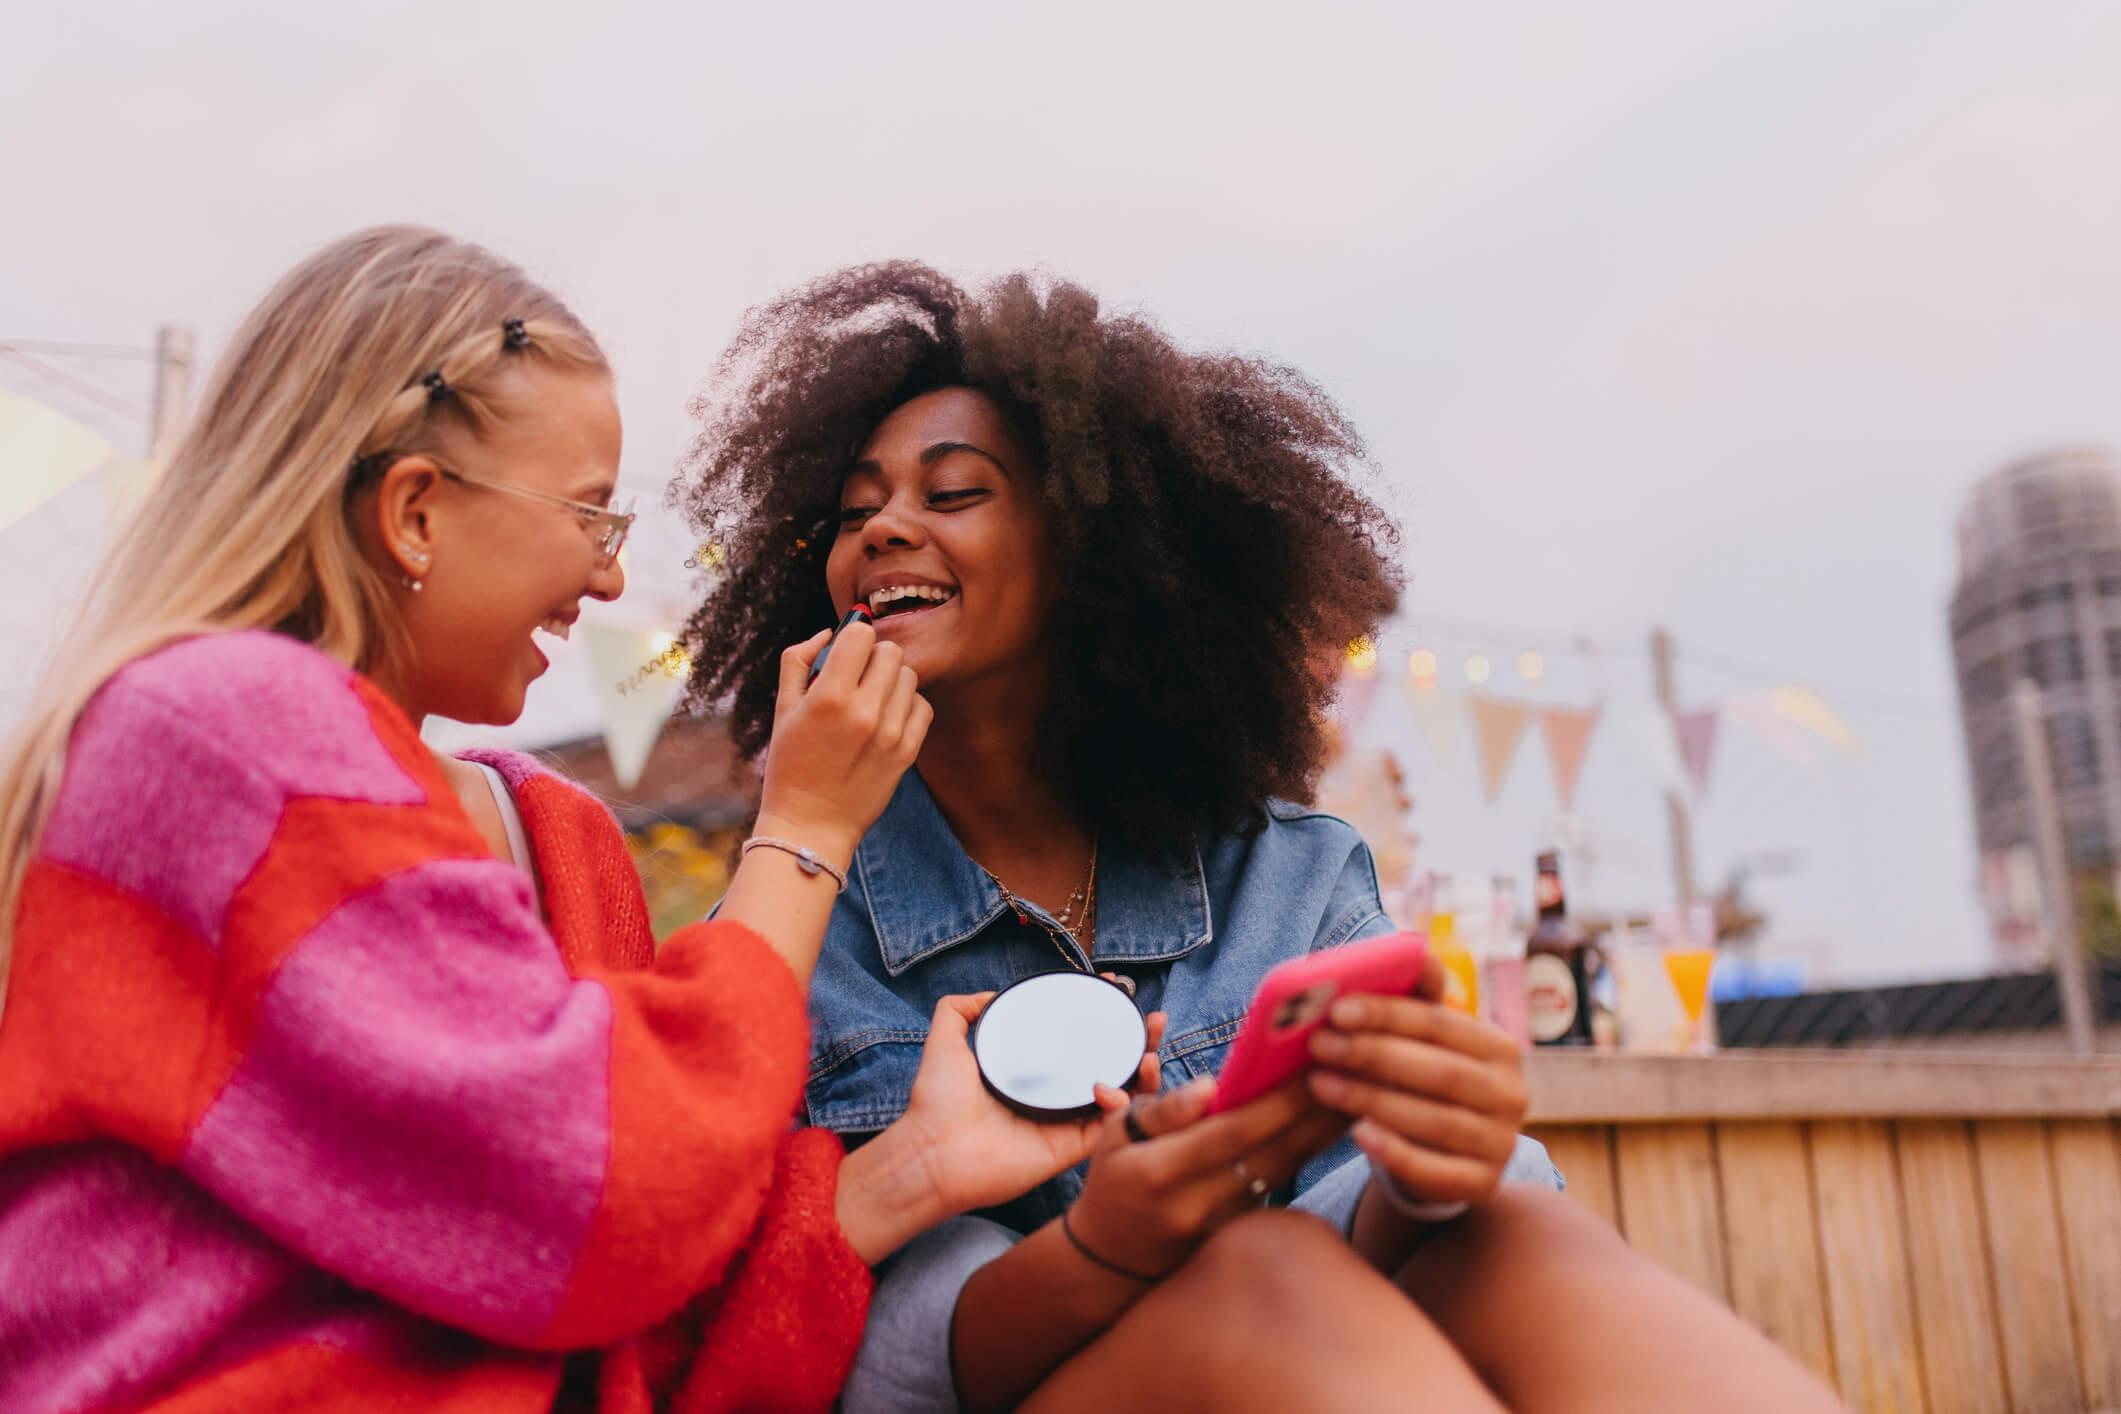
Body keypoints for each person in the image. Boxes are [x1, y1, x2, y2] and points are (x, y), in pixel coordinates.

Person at [675, 262, 1847, 1413]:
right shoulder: (791, 931)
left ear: (1094, 547)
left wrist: (1429, 1164)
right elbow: (886, 1359)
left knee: (1504, 1224)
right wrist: (1108, 1249)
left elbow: (1376, 1218)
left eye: (952, 493)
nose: (883, 528)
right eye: (854, 509)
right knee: (1259, 1269)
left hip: (1319, 1349)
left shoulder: (1291, 874)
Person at [0, 228, 1104, 1414]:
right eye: (591, 516)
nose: (616, 579)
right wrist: (807, 830)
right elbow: (605, 1196)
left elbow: (624, 1313)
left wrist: (919, 1166)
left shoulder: (561, 838)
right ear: (416, 512)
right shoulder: (218, 731)